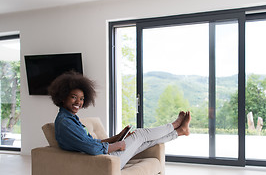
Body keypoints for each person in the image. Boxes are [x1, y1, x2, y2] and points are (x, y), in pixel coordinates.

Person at [48, 71, 191, 169]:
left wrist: (116, 138)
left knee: (144, 141)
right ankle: (175, 125)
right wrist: (118, 145)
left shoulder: (71, 119)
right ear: (62, 97)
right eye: (73, 97)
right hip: (104, 162)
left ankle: (179, 132)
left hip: (104, 157)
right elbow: (91, 148)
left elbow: (90, 142)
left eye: (81, 99)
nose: (78, 102)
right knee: (140, 134)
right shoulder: (65, 123)